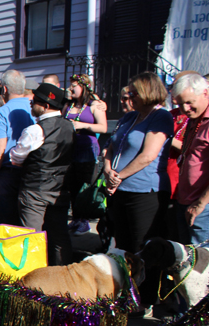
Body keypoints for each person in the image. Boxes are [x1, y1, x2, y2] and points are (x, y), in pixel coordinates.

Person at [103, 73, 174, 252]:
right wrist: (108, 170)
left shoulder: (161, 116)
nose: (129, 97)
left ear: (147, 92)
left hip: (144, 192)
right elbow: (111, 147)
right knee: (122, 246)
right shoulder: (130, 117)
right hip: (120, 190)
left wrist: (118, 177)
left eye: (134, 93)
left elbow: (148, 155)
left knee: (141, 247)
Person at [10, 83, 76, 266]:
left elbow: (16, 158)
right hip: (60, 189)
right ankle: (62, 277)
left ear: (46, 106)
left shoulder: (34, 130)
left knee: (31, 237)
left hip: (35, 190)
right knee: (59, 237)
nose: (31, 104)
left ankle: (33, 278)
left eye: (34, 101)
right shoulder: (70, 126)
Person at [0, 69, 36, 225]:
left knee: (6, 224)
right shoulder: (34, 109)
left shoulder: (1, 113)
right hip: (32, 172)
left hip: (8, 174)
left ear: (5, 89)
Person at [63, 74, 107, 236]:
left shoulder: (94, 105)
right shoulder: (69, 105)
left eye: (74, 85)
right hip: (70, 149)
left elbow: (103, 127)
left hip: (87, 150)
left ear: (83, 87)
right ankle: (76, 218)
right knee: (72, 184)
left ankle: (84, 221)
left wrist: (81, 125)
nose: (71, 88)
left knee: (85, 185)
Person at [171, 73, 209, 244]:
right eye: (180, 104)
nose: (185, 109)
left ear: (205, 93)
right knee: (185, 253)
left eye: (189, 102)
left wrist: (201, 203)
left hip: (202, 206)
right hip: (185, 200)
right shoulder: (194, 120)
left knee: (200, 256)